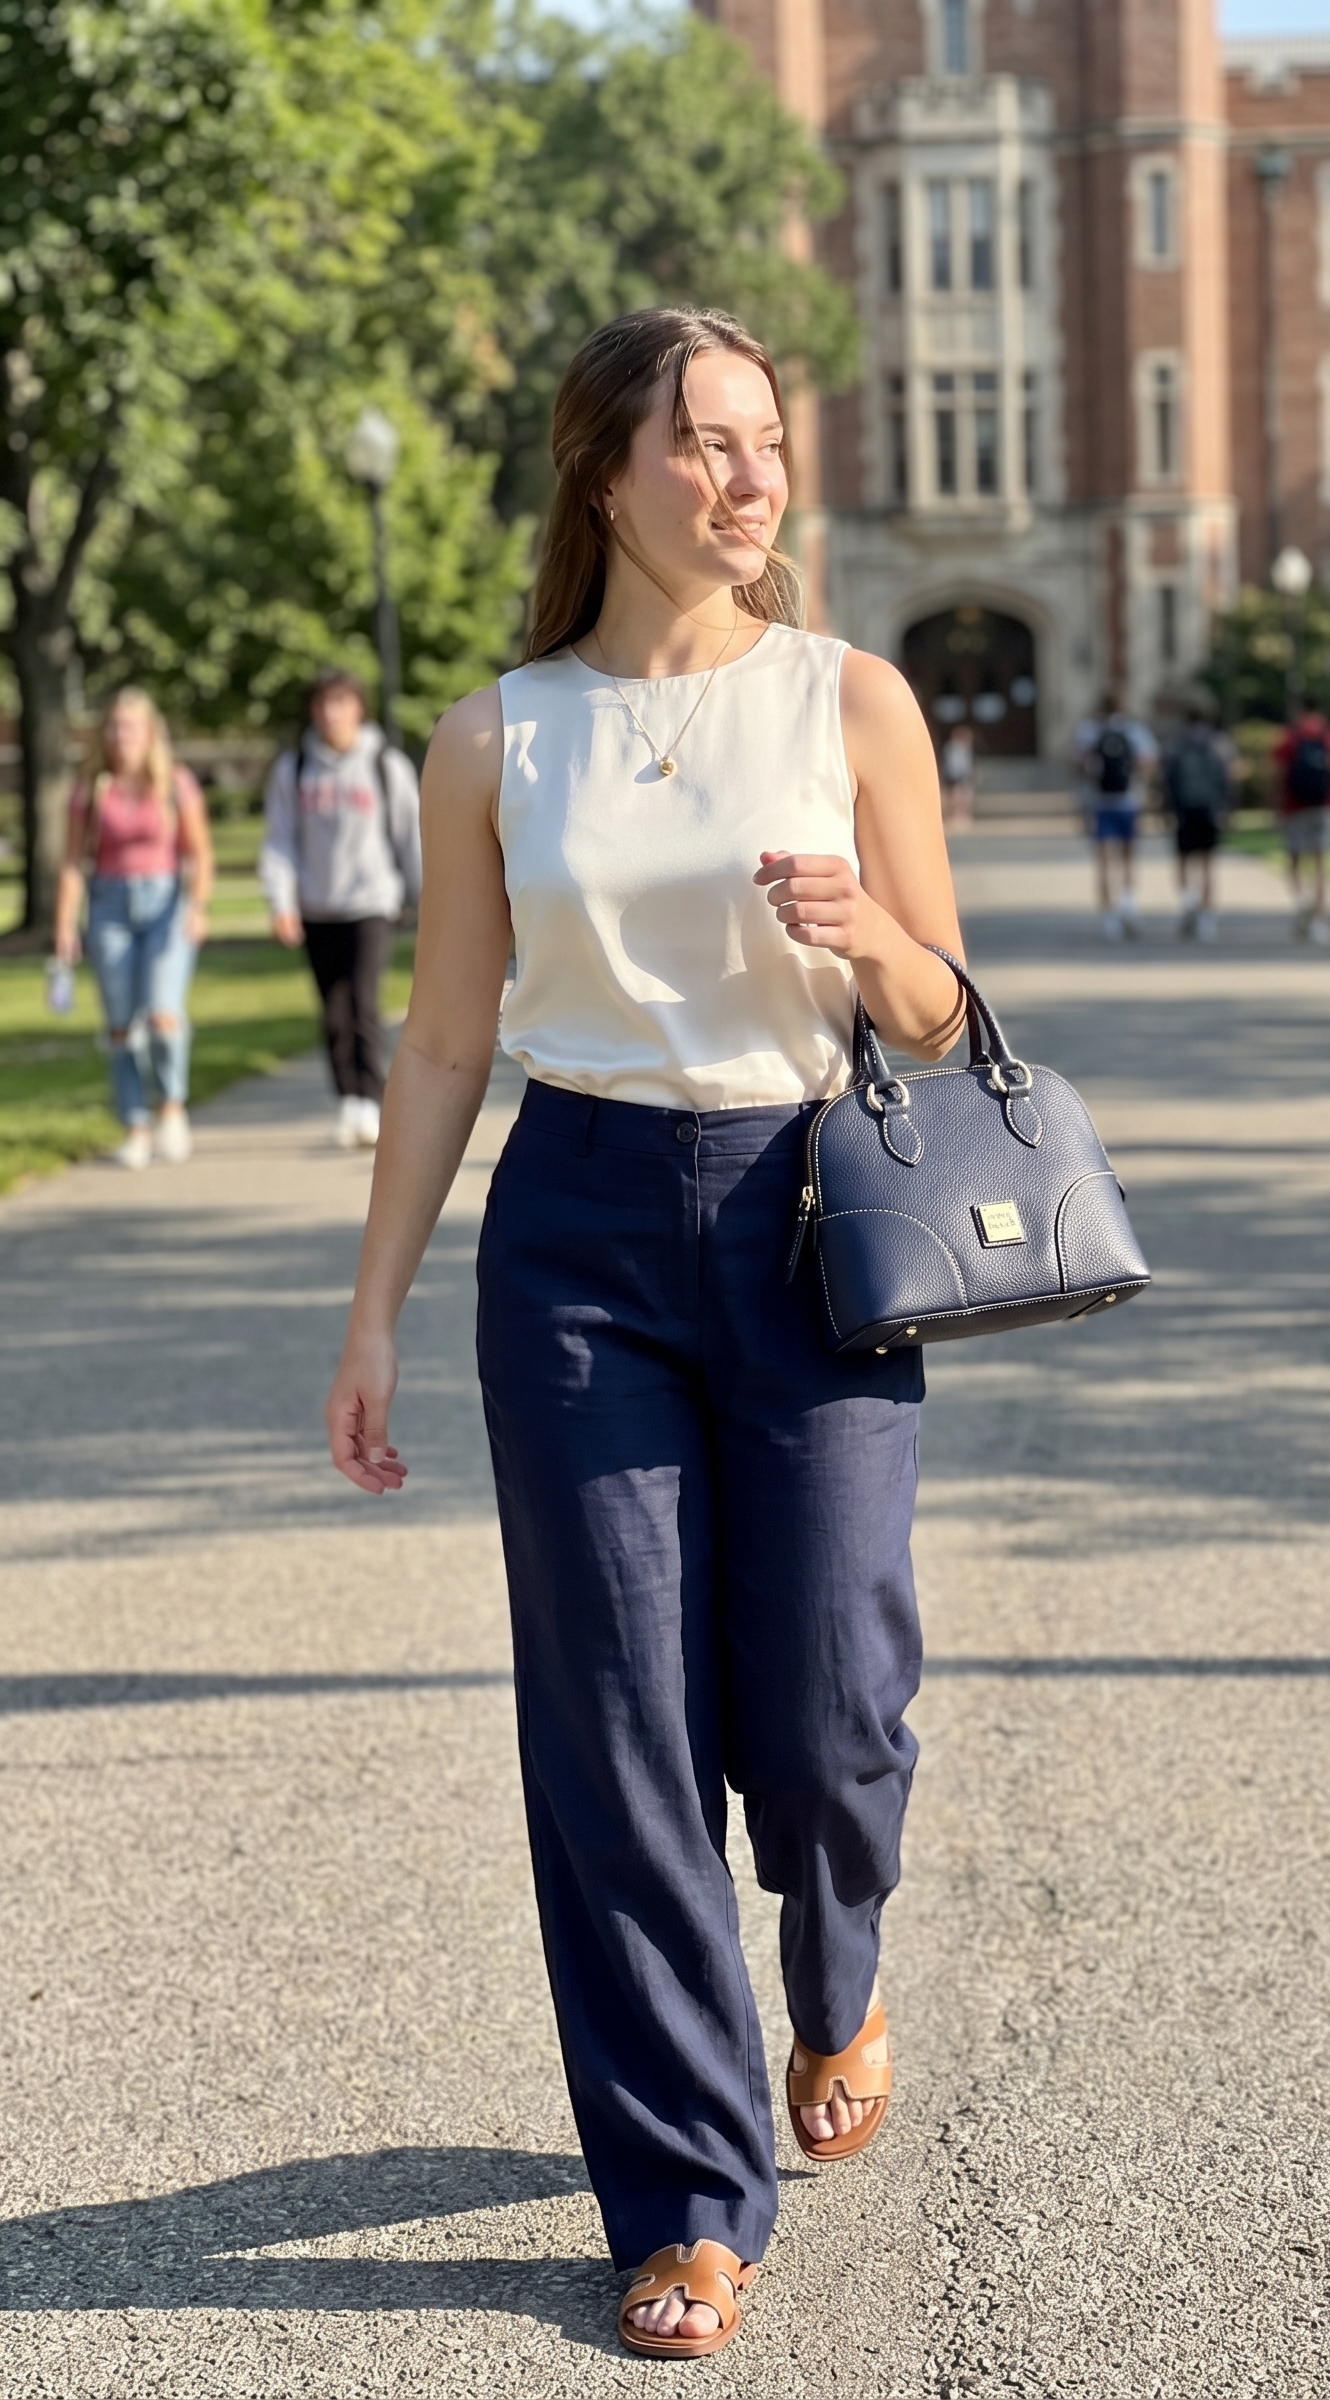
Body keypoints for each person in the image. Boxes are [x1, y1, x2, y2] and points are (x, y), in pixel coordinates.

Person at [323, 307, 965, 2361]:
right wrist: (373, 1314)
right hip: (580, 1229)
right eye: (701, 443)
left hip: (810, 1217)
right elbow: (439, 1040)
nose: (746, 476)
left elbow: (946, 1016)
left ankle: (834, 1962)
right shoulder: (492, 737)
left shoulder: (851, 701)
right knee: (615, 1740)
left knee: (834, 1702)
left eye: (763, 440)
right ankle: (688, 2195)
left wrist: (868, 938)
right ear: (606, 476)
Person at [259, 668, 422, 1149]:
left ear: (358, 708)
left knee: (363, 1002)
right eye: (322, 704)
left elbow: (409, 836)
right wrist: (281, 901)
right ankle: (348, 1098)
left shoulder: (385, 765)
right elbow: (280, 842)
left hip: (371, 900)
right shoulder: (294, 769)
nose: (331, 713)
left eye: (341, 702)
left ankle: (372, 1098)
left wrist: (425, 898)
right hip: (316, 904)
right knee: (332, 1009)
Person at [54, 687, 214, 1169]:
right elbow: (71, 862)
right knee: (121, 1027)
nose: (121, 736)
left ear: (150, 734)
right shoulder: (92, 787)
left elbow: (200, 852)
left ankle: (170, 1106)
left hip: (165, 902)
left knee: (164, 1016)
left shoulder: (176, 783)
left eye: (130, 727)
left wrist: (197, 905)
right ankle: (135, 1125)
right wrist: (65, 924)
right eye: (114, 727)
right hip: (109, 906)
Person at [1272, 696, 1330, 944]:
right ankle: (1321, 921)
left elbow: (1277, 776)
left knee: (1295, 861)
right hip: (1326, 806)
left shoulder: (1288, 737)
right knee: (1321, 866)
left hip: (1294, 807)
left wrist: (1275, 808)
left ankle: (1302, 901)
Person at [1073, 692, 1158, 940]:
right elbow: (1149, 762)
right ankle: (1128, 906)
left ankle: (1108, 916)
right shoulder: (1133, 730)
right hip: (1128, 801)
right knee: (1128, 857)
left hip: (1099, 803)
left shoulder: (1088, 731)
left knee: (1103, 860)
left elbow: (1078, 765)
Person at [1160, 699, 1236, 940]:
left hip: (1184, 810)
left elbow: (1168, 779)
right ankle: (1207, 917)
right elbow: (1228, 779)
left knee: (1183, 862)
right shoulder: (1219, 743)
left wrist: (1167, 808)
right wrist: (1227, 808)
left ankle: (1189, 903)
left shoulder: (1177, 744)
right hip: (1210, 809)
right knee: (1207, 865)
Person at [939, 722, 977, 829]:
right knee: (951, 797)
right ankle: (949, 816)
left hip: (961, 776)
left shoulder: (965, 749)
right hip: (952, 775)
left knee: (961, 797)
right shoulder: (950, 748)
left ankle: (960, 816)